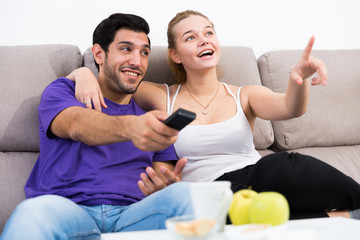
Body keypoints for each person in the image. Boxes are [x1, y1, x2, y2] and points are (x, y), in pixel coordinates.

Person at [69, 10, 360, 220]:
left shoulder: (244, 94)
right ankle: (343, 219)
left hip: (256, 178)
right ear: (176, 54)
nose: (204, 40)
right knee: (238, 218)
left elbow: (291, 108)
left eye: (209, 33)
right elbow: (114, 81)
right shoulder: (159, 95)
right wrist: (83, 73)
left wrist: (298, 79)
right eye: (191, 37)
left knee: (284, 165)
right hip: (207, 198)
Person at [0, 13, 194, 240]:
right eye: (125, 49)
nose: (137, 61)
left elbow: (163, 176)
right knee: (33, 213)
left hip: (133, 218)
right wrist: (131, 128)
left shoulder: (150, 121)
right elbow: (76, 125)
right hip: (70, 212)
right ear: (99, 54)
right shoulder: (64, 91)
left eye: (144, 52)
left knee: (185, 194)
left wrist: (163, 187)